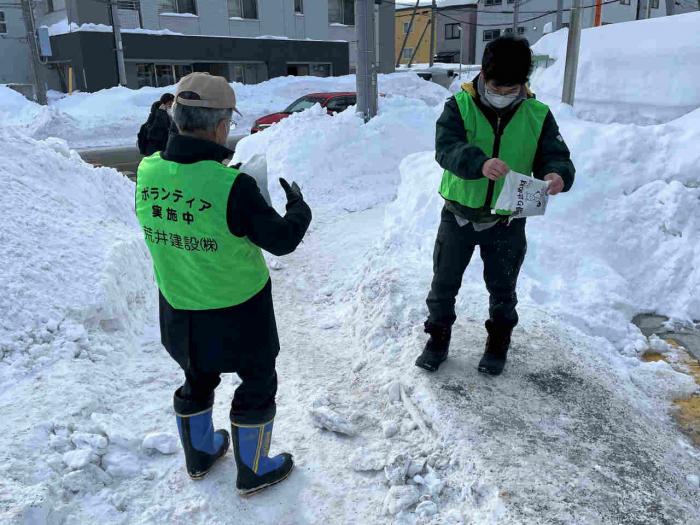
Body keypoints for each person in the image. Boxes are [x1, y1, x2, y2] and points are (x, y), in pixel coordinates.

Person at [135, 73, 312, 495]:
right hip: (239, 313)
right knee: (256, 383)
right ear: (219, 127)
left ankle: (199, 454)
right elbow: (282, 240)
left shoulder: (147, 171)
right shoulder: (234, 186)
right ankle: (254, 469)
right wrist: (299, 208)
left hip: (178, 310)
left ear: (175, 119)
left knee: (197, 378)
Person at [415, 36, 575, 376]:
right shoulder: (459, 105)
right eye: (495, 86)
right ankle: (437, 340)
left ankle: (498, 344)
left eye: (511, 88)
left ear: (524, 82)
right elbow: (446, 147)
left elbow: (556, 155)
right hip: (459, 214)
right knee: (443, 286)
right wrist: (479, 163)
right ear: (483, 76)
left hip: (507, 221)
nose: (502, 93)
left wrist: (557, 174)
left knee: (503, 290)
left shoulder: (538, 114)